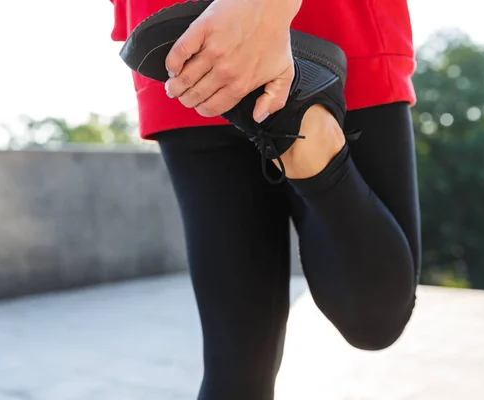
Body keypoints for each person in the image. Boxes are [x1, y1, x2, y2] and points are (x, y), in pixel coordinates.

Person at [109, 0, 420, 398]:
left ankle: (303, 137)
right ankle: (311, 144)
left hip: (183, 43)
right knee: (374, 318)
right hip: (329, 18)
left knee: (234, 364)